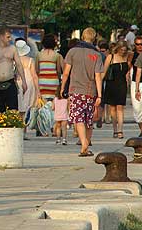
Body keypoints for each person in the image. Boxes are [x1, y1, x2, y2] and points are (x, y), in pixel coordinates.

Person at [60, 27, 103, 157]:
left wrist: (62, 88)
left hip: (75, 90)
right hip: (90, 91)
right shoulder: (96, 55)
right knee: (88, 118)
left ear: (82, 37)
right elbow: (98, 76)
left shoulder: (72, 52)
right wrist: (100, 95)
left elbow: (66, 73)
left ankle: (83, 142)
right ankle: (86, 144)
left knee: (78, 117)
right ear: (94, 38)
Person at [102, 40, 132, 138]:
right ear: (117, 49)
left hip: (122, 84)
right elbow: (104, 72)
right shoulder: (110, 57)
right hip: (111, 84)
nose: (123, 52)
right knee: (112, 108)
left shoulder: (127, 57)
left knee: (120, 107)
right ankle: (115, 129)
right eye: (121, 50)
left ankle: (120, 130)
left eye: (124, 50)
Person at [15, 39, 39, 123]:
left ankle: (18, 126)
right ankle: (24, 127)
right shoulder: (30, 60)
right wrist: (38, 90)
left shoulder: (14, 60)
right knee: (27, 105)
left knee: (18, 105)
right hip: (29, 82)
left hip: (17, 82)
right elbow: (34, 76)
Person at [130, 35, 142, 135]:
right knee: (137, 107)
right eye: (137, 44)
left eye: (141, 44)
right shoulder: (132, 55)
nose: (139, 46)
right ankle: (141, 129)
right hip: (135, 82)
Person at [36, 34, 63, 102]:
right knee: (53, 104)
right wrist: (59, 80)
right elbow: (59, 70)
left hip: (42, 81)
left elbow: (36, 70)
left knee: (43, 103)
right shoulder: (57, 55)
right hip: (54, 81)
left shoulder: (39, 55)